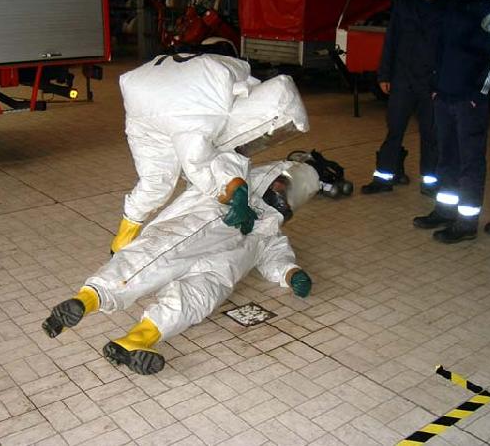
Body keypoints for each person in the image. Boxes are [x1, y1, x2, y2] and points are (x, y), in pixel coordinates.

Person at [43, 160, 319, 375]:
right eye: (283, 185)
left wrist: (291, 274)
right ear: (275, 176)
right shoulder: (234, 180)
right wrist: (235, 195)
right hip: (192, 234)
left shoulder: (269, 230)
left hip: (216, 269)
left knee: (194, 300)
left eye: (289, 194)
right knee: (147, 263)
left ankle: (135, 341)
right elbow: (208, 164)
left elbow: (275, 256)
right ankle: (86, 300)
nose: (282, 194)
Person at [111, 53, 308, 253]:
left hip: (146, 92)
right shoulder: (206, 116)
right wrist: (230, 192)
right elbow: (196, 164)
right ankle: (126, 244)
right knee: (171, 178)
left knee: (156, 183)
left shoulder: (227, 73)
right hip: (167, 110)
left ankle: (122, 240)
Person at [413, 0, 490, 243]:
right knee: (446, 158)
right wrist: (435, 86)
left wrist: (479, 93)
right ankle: (445, 211)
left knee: (470, 163)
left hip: (470, 101)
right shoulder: (452, 4)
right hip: (444, 96)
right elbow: (440, 46)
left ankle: (467, 223)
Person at [361, 0, 445, 196]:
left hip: (431, 84)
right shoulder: (404, 4)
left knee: (430, 135)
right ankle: (383, 178)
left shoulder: (448, 7)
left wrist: (443, 83)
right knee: (394, 131)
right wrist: (384, 74)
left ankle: (430, 182)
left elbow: (449, 49)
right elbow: (391, 40)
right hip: (403, 80)